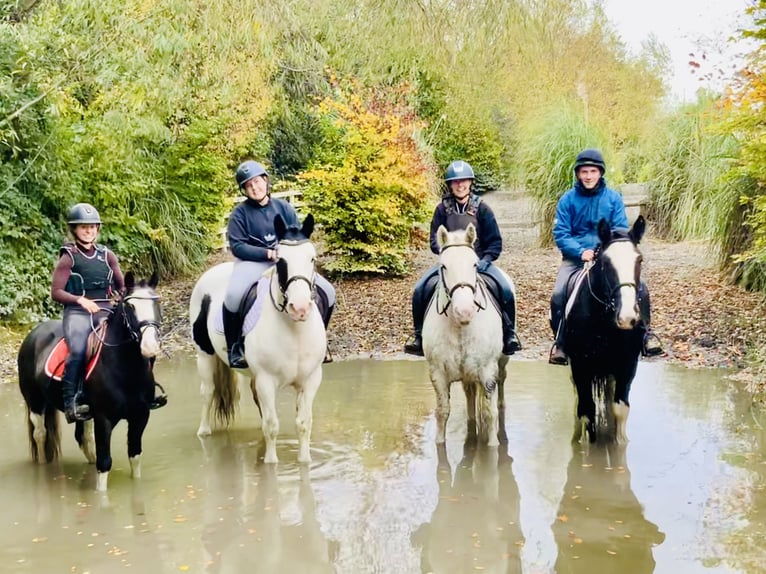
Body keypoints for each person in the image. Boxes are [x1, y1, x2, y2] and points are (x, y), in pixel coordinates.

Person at [548, 148, 663, 366]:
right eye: (584, 172)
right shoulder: (567, 200)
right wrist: (581, 252)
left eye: (592, 171)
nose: (588, 176)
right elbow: (561, 233)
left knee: (641, 288)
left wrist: (604, 252)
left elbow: (619, 229)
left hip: (608, 257)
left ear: (600, 173)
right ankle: (561, 342)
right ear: (578, 174)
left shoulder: (613, 198)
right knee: (558, 293)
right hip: (576, 260)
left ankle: (647, 334)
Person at [403, 160, 522, 357]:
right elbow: (435, 240)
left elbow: (495, 242)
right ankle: (419, 336)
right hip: (450, 264)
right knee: (419, 289)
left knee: (505, 289)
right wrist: (448, 254)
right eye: (456, 182)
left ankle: (509, 334)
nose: (460, 185)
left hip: (479, 263)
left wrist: (485, 261)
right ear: (450, 185)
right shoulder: (441, 209)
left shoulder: (483, 209)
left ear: (470, 182)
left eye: (464, 181)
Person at [224, 160, 336, 368]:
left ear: (265, 181)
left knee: (328, 291)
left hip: (286, 262)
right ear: (245, 190)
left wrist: (289, 254)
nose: (255, 188)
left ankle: (322, 342)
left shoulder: (284, 207)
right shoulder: (240, 214)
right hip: (253, 262)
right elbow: (238, 245)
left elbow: (296, 235)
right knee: (233, 295)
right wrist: (267, 253)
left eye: (257, 182)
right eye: (249, 185)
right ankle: (235, 348)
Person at [51, 203, 125, 423]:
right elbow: (56, 292)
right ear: (75, 230)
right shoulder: (69, 258)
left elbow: (122, 286)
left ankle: (144, 390)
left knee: (135, 338)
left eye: (92, 227)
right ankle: (71, 402)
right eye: (84, 227)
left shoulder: (107, 255)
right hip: (78, 313)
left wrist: (119, 298)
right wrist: (80, 300)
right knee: (79, 350)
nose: (89, 231)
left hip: (105, 309)